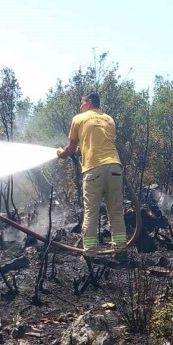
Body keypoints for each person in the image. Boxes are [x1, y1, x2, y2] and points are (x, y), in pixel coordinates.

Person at [57, 92, 127, 257]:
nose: (80, 106)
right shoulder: (109, 119)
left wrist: (62, 153)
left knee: (91, 212)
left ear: (88, 102)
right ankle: (121, 251)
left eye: (82, 103)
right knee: (116, 211)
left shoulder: (79, 119)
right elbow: (99, 143)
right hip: (115, 167)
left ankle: (89, 253)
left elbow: (71, 149)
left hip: (94, 169)